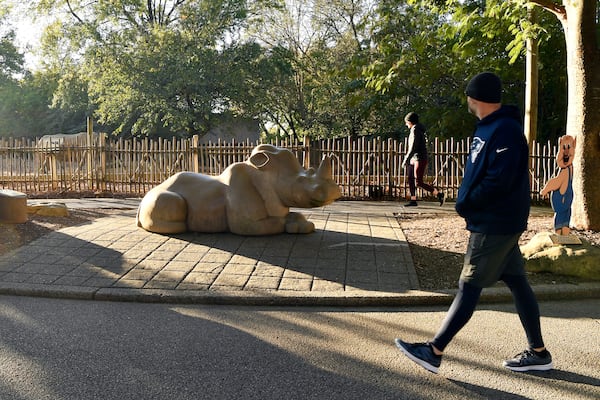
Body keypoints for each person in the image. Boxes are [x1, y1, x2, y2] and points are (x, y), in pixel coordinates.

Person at [395, 72, 553, 374]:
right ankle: (539, 352)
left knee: (469, 285)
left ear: (476, 98)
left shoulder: (505, 130)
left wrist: (468, 202)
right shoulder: (489, 128)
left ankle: (434, 350)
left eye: (469, 96)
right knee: (518, 283)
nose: (467, 101)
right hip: (497, 220)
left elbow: (499, 180)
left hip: (494, 222)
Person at [402, 112, 444, 206]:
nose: (406, 124)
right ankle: (413, 200)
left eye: (406, 122)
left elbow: (413, 146)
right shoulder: (415, 129)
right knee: (410, 178)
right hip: (414, 158)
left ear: (410, 121)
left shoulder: (415, 129)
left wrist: (406, 159)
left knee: (419, 181)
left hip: (419, 158)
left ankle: (438, 194)